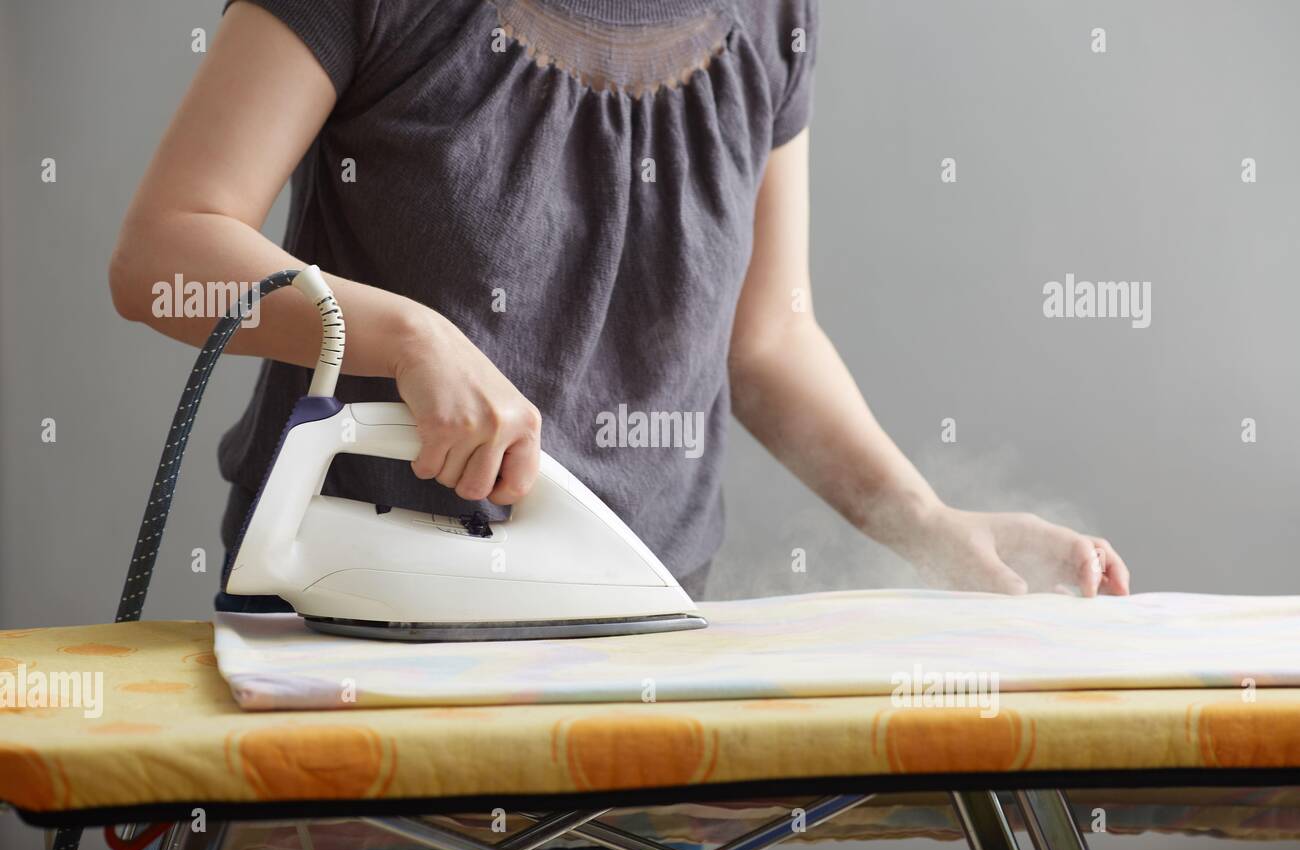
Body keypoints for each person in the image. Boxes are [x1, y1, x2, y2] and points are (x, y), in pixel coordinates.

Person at [109, 0, 1130, 605]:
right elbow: (163, 251)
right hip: (355, 626)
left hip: (642, 629)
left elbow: (765, 337)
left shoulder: (770, 16)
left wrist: (929, 523)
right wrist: (405, 336)